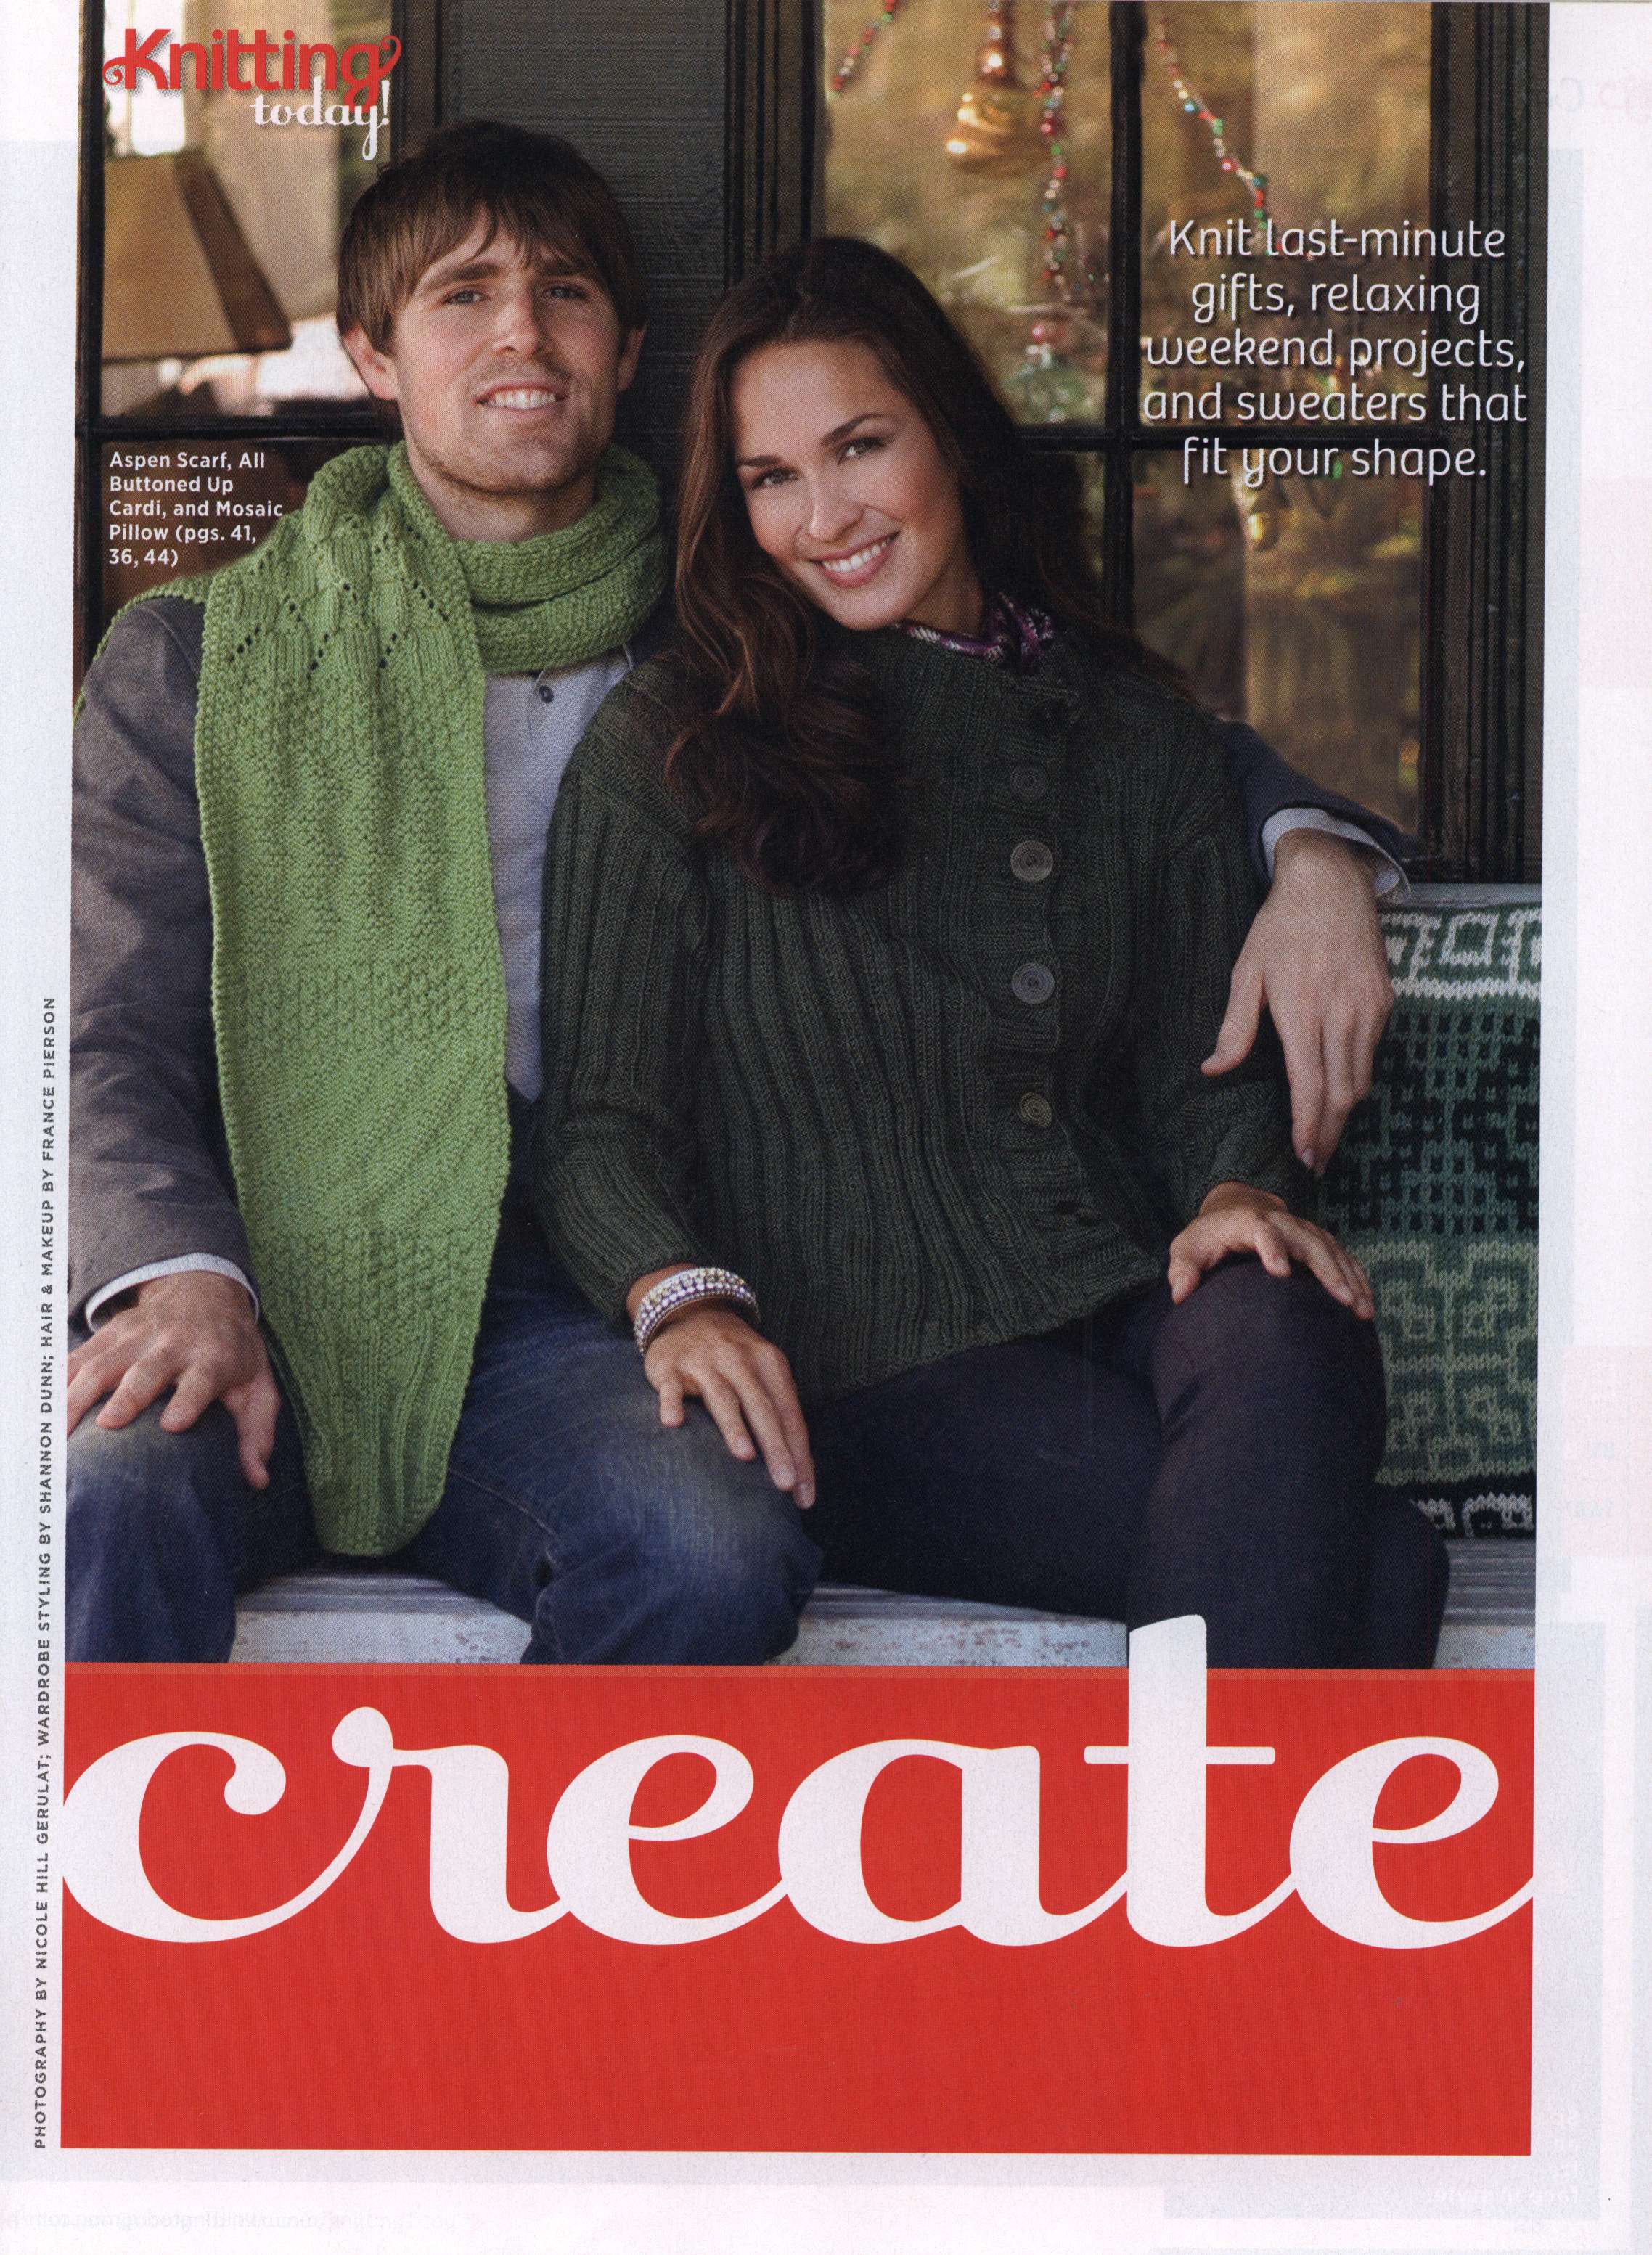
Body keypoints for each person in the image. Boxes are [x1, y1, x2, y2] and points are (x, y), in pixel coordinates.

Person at [67, 120, 1412, 1666]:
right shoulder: (201, 660)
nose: (522, 336)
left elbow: (1091, 738)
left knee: (705, 1547)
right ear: (371, 354)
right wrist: (179, 1277)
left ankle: (553, 1848)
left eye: (565, 294)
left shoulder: (736, 623)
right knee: (106, 1493)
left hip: (555, 1302)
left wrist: (1315, 848)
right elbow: (108, 1031)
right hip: (271, 1257)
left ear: (626, 349)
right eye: (463, 297)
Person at [532, 235, 1448, 1668]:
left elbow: (1197, 1074)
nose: (824, 516)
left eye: (861, 447)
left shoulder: (1133, 734)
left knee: (1283, 1309)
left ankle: (1169, 1814)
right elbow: (599, 1123)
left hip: (1110, 1308)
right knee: (1380, 1569)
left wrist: (1234, 1187)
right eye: (772, 478)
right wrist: (678, 1296)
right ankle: (1188, 1815)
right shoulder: (680, 743)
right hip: (859, 1376)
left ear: (950, 435)